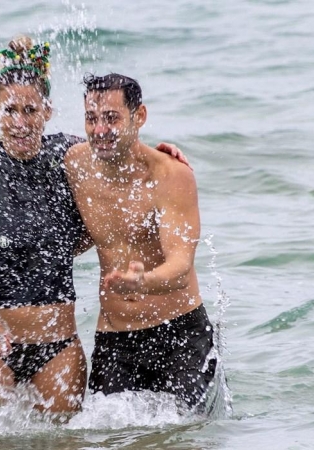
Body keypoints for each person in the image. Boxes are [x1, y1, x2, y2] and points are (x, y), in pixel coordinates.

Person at [0, 36, 188, 416]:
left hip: (58, 346)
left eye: (30, 109)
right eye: (10, 111)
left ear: (48, 111)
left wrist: (158, 155)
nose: (20, 123)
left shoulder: (69, 156)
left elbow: (117, 151)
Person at [64, 73, 217, 411]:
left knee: (185, 438)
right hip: (115, 340)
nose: (100, 130)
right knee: (107, 438)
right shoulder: (74, 164)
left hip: (180, 336)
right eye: (91, 118)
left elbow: (180, 265)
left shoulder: (170, 175)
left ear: (140, 117)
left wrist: (144, 281)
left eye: (111, 118)